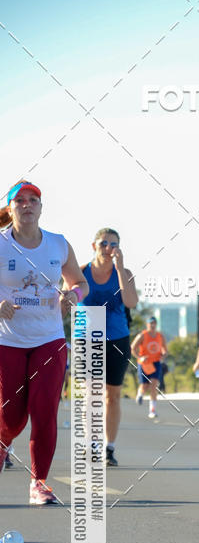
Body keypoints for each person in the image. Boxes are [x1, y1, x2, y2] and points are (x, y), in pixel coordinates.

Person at [0, 180, 88, 503]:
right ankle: (3, 441)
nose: (27, 205)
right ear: (10, 209)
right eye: (19, 201)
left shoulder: (58, 244)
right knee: (12, 417)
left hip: (50, 340)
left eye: (32, 200)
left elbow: (80, 282)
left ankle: (39, 482)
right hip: (7, 341)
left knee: (45, 410)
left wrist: (72, 295)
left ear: (40, 207)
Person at [80, 228, 138, 465]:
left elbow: (131, 302)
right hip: (88, 339)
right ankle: (91, 443)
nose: (108, 248)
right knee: (91, 394)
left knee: (112, 395)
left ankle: (108, 447)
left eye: (114, 244)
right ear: (94, 245)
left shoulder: (124, 273)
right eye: (104, 243)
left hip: (117, 339)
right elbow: (67, 300)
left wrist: (121, 268)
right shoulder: (81, 272)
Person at [131, 316, 167, 419]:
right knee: (144, 385)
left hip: (155, 362)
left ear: (156, 324)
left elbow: (165, 350)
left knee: (154, 385)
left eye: (154, 323)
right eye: (150, 323)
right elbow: (133, 348)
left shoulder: (160, 336)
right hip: (145, 363)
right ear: (147, 324)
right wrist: (140, 357)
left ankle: (152, 410)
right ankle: (140, 394)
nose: (152, 325)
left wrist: (163, 356)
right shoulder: (142, 335)